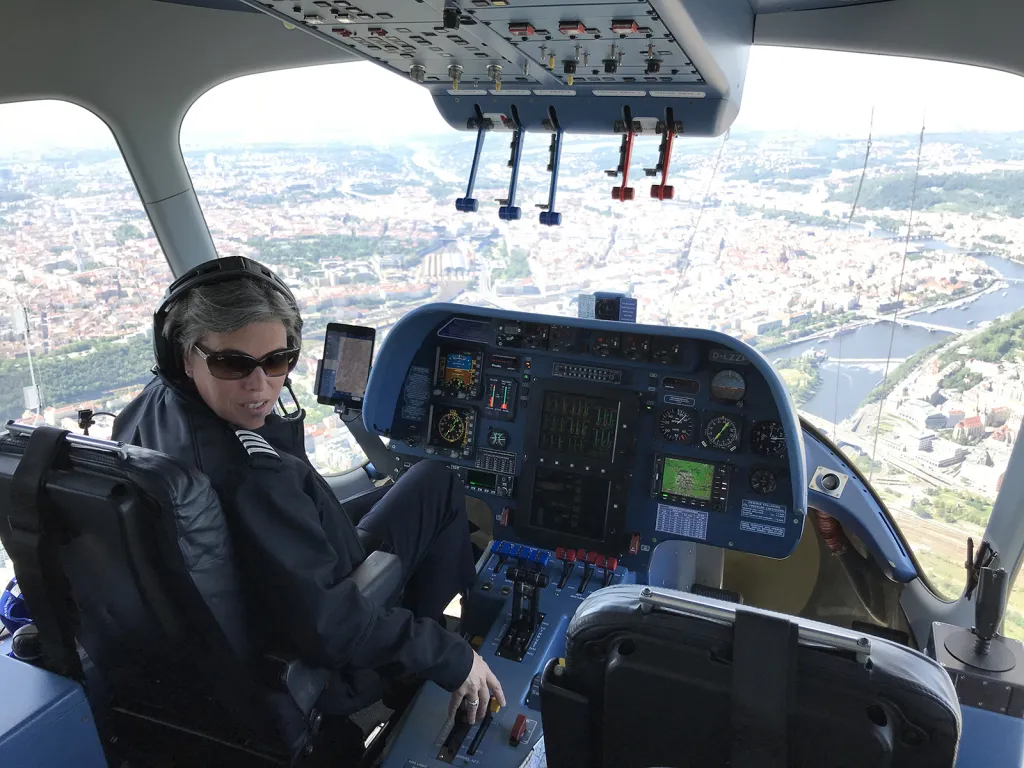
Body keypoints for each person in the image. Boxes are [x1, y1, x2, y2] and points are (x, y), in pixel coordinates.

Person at [113, 256, 504, 724]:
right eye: (231, 364)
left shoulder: (147, 409)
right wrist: (449, 657)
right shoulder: (253, 475)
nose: (261, 386)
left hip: (251, 610)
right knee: (438, 484)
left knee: (428, 481)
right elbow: (331, 625)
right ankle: (428, 663)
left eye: (277, 360)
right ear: (185, 355)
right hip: (333, 648)